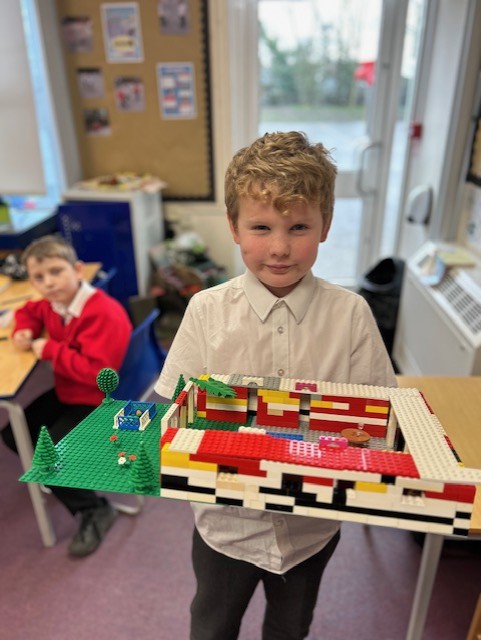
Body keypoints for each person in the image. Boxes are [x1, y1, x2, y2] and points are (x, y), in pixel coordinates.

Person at [154, 131, 397, 640]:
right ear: (233, 227)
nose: (281, 248)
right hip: (226, 528)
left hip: (311, 529)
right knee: (212, 626)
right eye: (261, 227)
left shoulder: (351, 314)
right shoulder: (206, 311)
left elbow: (378, 418)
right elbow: (173, 413)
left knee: (290, 628)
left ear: (326, 224)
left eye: (299, 227)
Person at [1, 235, 132, 557]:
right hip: (70, 391)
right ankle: (64, 482)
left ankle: (94, 509)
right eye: (39, 277)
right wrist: (25, 330)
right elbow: (30, 310)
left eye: (56, 272)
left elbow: (99, 375)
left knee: (49, 454)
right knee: (13, 434)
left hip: (100, 399)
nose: (48, 283)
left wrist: (50, 349)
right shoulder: (55, 304)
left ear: (77, 270)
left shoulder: (102, 313)